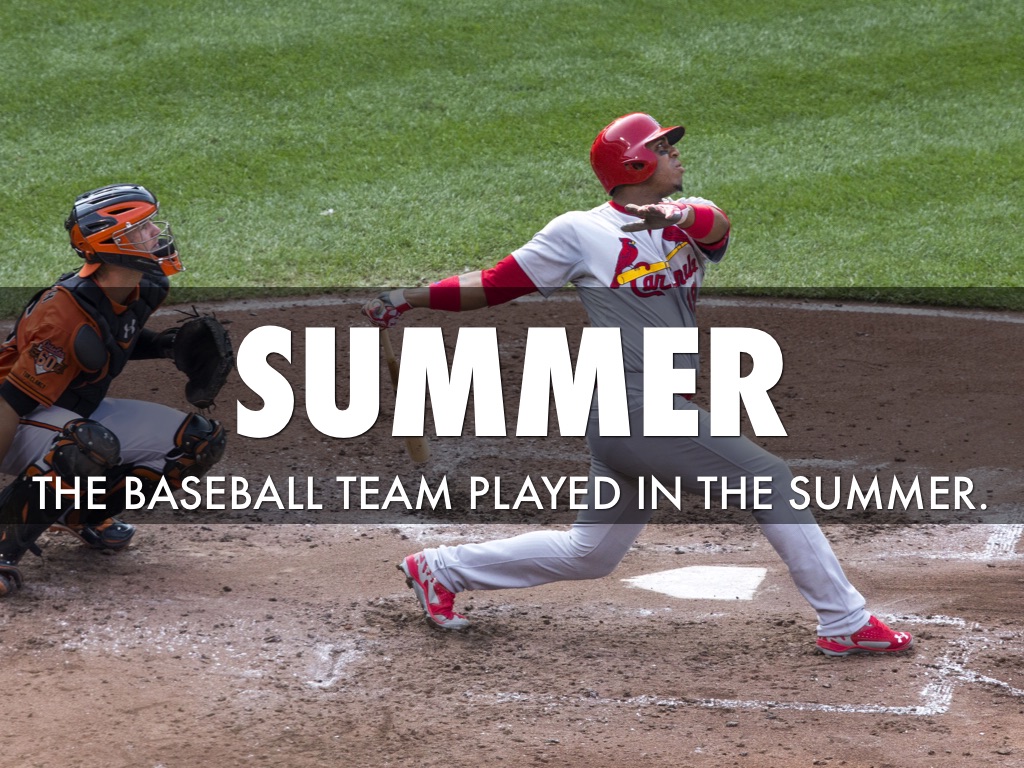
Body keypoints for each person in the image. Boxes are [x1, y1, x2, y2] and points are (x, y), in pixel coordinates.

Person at [361, 113, 914, 657]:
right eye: (663, 146)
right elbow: (495, 283)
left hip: (643, 408)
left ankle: (439, 569)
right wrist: (408, 298)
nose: (676, 153)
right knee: (769, 480)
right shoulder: (580, 231)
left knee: (590, 553)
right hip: (633, 405)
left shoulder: (688, 221)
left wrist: (675, 212)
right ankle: (844, 620)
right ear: (633, 163)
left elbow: (716, 225)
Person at [0, 184, 227, 597]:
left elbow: (110, 338)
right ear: (112, 243)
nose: (156, 232)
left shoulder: (144, 285)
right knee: (86, 444)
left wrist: (165, 346)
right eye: (142, 228)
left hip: (62, 413)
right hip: (10, 414)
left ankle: (79, 515)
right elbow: (11, 401)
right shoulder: (62, 317)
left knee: (197, 442)